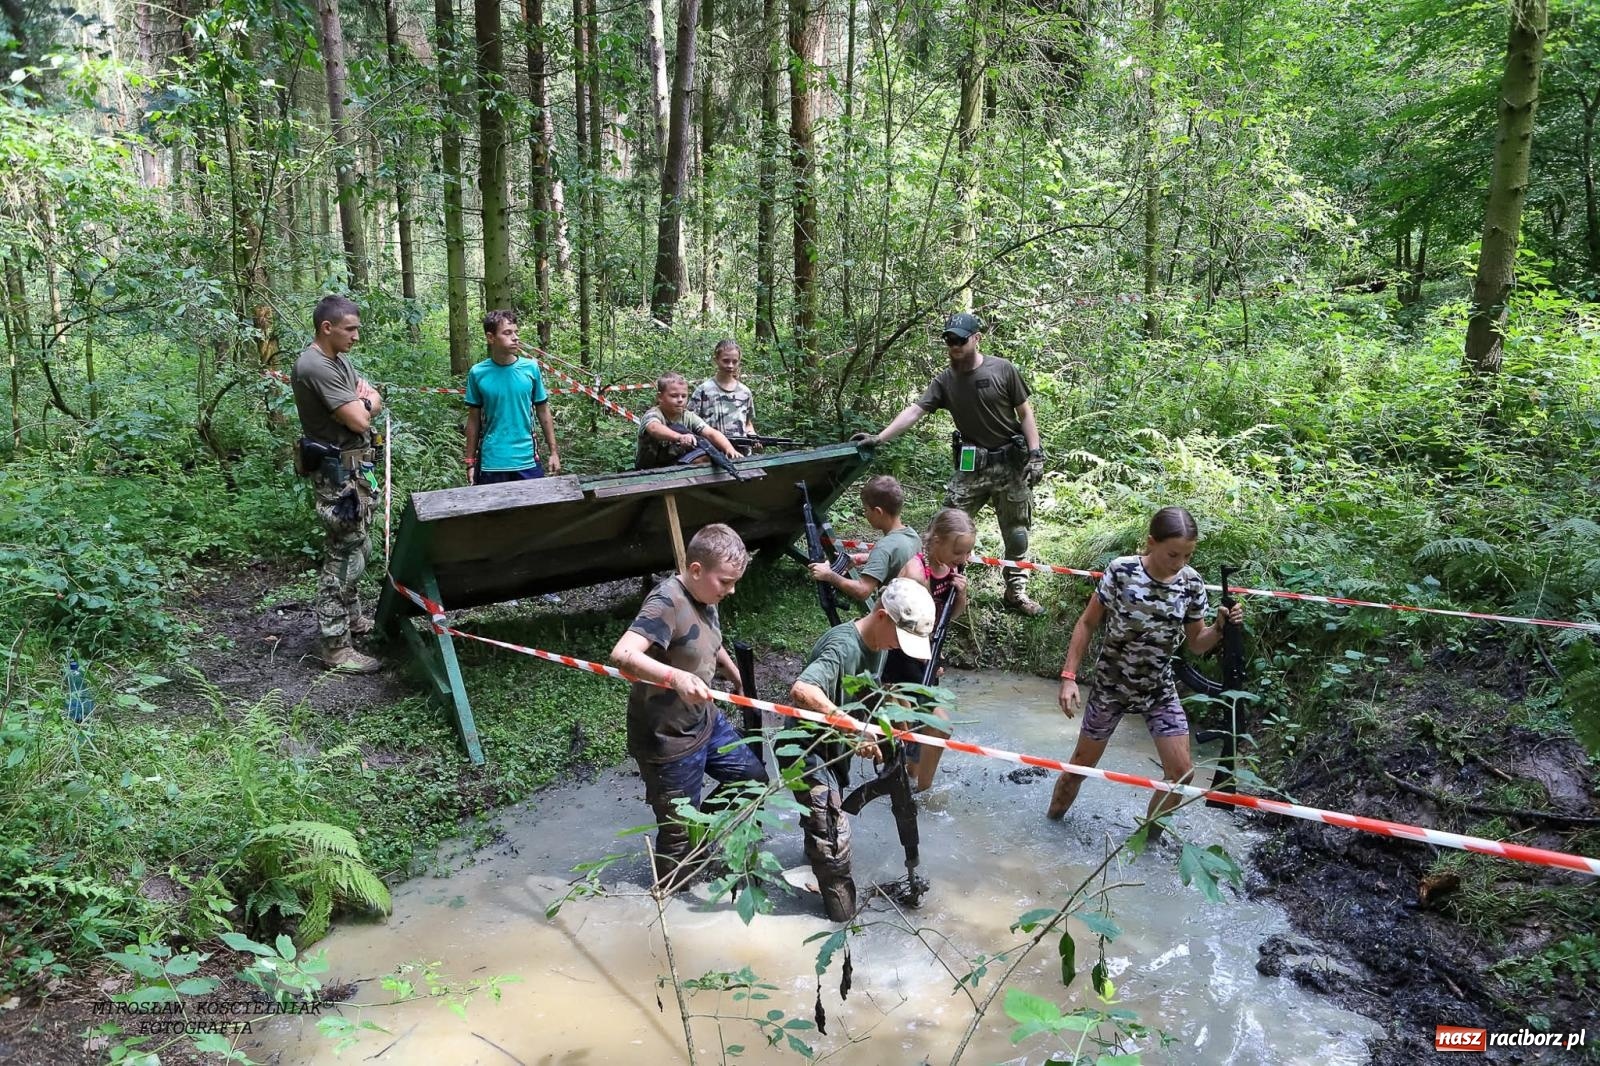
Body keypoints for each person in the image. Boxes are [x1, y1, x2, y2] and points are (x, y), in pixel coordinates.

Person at [1045, 506, 1244, 826]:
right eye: (1173, 554)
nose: (1179, 564)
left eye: (1187, 557)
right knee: (1078, 770)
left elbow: (1196, 643)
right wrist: (1069, 677)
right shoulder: (1121, 571)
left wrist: (1220, 628)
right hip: (1111, 686)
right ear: (1151, 543)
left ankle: (1147, 843)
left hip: (1158, 690)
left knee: (1182, 775)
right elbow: (1086, 623)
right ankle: (1051, 825)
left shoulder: (1192, 584)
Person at [854, 312, 1047, 616]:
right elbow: (915, 411)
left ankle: (1015, 592)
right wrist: (879, 437)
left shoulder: (1003, 370)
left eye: (960, 339)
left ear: (976, 339)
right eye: (949, 340)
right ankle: (936, 586)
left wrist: (1035, 454)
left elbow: (1025, 413)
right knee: (941, 528)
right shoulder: (945, 381)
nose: (954, 345)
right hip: (973, 466)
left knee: (1017, 533)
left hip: (1010, 464)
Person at [609, 523, 766, 891]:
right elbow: (622, 655)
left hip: (705, 721)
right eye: (726, 581)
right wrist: (676, 678)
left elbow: (707, 637)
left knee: (753, 781)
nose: (732, 590)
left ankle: (701, 831)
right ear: (696, 570)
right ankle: (671, 894)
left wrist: (730, 669)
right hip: (667, 737)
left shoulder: (706, 596)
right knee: (676, 841)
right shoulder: (666, 602)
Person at [787, 578, 936, 921]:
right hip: (804, 750)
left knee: (822, 825)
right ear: (883, 616)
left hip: (833, 747)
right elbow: (803, 691)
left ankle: (815, 863)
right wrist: (855, 729)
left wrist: (885, 722)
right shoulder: (843, 646)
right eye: (901, 639)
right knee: (834, 843)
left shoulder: (878, 645)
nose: (899, 648)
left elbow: (866, 690)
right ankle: (841, 923)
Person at [290, 295, 384, 674]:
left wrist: (369, 400)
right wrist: (366, 404)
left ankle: (354, 619)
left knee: (360, 546)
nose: (356, 337)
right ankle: (335, 645)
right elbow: (359, 420)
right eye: (350, 329)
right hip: (337, 477)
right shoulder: (314, 365)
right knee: (343, 554)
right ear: (326, 328)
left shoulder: (338, 360)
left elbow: (370, 397)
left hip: (357, 471)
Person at [891, 507, 975, 791]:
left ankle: (909, 783)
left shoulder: (950, 568)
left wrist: (961, 594)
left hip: (928, 650)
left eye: (967, 553)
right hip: (904, 654)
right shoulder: (916, 573)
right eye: (958, 552)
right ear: (936, 541)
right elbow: (905, 625)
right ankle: (924, 793)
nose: (963, 559)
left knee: (920, 728)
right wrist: (927, 657)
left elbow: (950, 615)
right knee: (938, 724)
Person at [463, 309, 562, 484]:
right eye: (507, 333)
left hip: (527, 459)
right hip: (492, 461)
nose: (515, 337)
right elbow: (473, 419)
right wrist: (470, 462)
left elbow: (543, 411)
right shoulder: (478, 373)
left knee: (536, 509)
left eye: (516, 332)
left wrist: (554, 452)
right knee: (493, 511)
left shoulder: (531, 368)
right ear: (491, 338)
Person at [807, 475, 919, 605]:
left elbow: (862, 591)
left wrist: (829, 575)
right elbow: (898, 555)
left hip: (891, 616)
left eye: (866, 510)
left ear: (878, 511)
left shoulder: (884, 547)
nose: (865, 514)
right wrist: (862, 558)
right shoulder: (912, 535)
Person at [636, 372, 742, 470]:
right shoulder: (654, 414)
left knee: (707, 458)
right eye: (674, 396)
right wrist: (679, 437)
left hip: (675, 464)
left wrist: (729, 449)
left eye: (684, 396)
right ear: (660, 397)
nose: (680, 400)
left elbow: (710, 433)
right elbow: (654, 428)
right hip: (649, 469)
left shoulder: (688, 416)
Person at [689, 339, 758, 453]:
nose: (730, 365)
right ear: (716, 360)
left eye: (734, 362)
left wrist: (753, 436)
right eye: (725, 361)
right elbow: (690, 421)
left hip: (742, 453)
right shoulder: (703, 390)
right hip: (711, 452)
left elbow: (747, 423)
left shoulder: (745, 392)